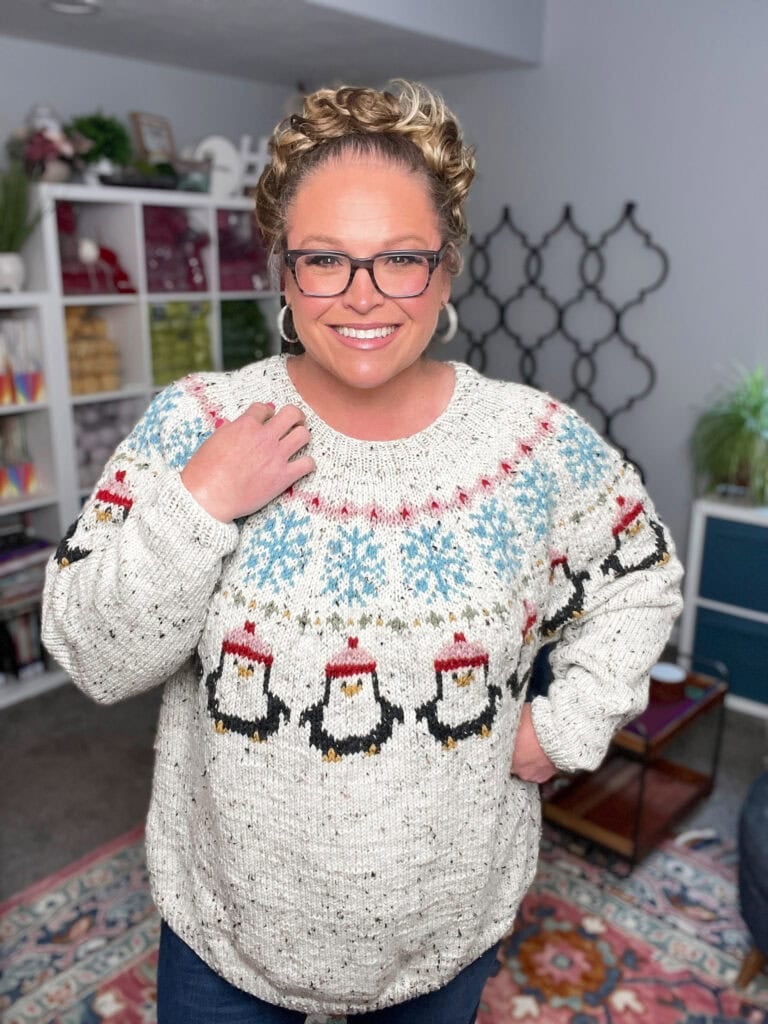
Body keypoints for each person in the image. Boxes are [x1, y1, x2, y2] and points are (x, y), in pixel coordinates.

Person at [42, 80, 683, 1023]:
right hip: (225, 938)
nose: (363, 296)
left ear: (449, 268)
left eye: (401, 260)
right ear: (284, 272)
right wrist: (202, 500)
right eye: (326, 261)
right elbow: (94, 654)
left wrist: (567, 726)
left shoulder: (534, 444)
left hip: (444, 933)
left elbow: (642, 576)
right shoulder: (198, 423)